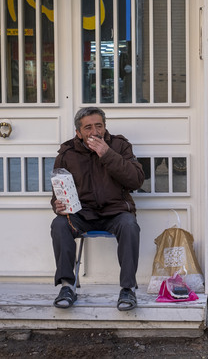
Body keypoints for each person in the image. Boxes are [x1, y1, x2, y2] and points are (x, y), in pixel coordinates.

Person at [50, 107, 145, 310]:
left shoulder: (119, 146)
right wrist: (57, 206)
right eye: (88, 127)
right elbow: (57, 192)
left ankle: (128, 289)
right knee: (59, 224)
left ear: (104, 127)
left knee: (129, 224)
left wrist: (107, 153)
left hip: (115, 212)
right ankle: (67, 286)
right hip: (82, 214)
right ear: (78, 132)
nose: (94, 132)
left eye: (98, 126)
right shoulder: (67, 153)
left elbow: (136, 180)